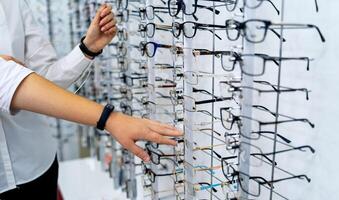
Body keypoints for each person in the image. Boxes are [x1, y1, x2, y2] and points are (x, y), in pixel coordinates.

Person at [0, 0, 179, 199]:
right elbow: (8, 83)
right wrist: (109, 119)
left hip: (38, 162)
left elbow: (45, 82)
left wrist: (88, 47)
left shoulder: (12, 4)